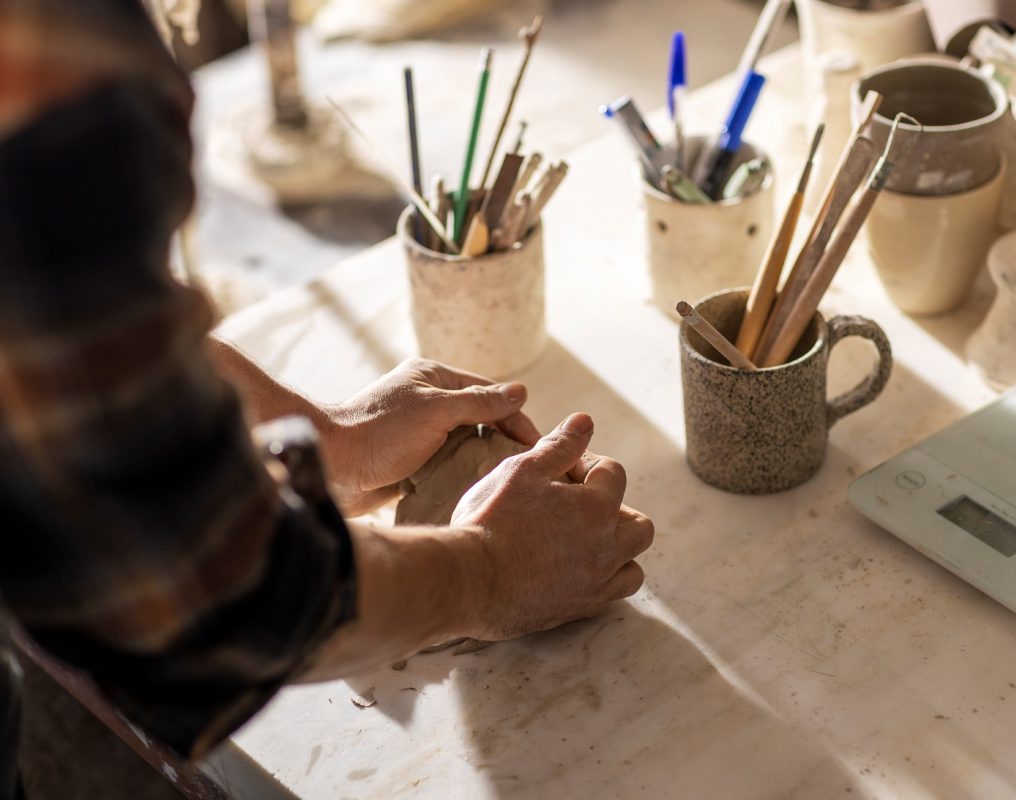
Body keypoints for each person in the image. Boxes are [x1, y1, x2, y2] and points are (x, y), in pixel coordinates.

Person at [0, 0, 653, 795]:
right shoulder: (48, 57)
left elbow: (69, 320)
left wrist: (321, 433)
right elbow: (209, 596)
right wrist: (486, 573)